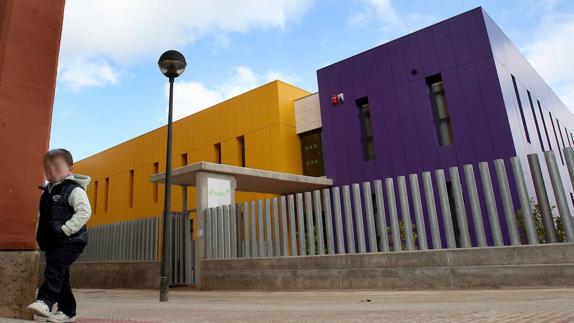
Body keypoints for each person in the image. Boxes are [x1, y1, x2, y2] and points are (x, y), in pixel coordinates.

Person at [27, 149, 91, 323]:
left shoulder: (74, 190)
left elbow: (84, 212)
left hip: (71, 240)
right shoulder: (46, 193)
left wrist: (65, 229)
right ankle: (67, 310)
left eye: (56, 167)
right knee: (60, 275)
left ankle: (45, 301)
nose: (51, 172)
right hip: (53, 242)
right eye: (47, 169)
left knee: (54, 268)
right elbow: (44, 219)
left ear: (70, 169)